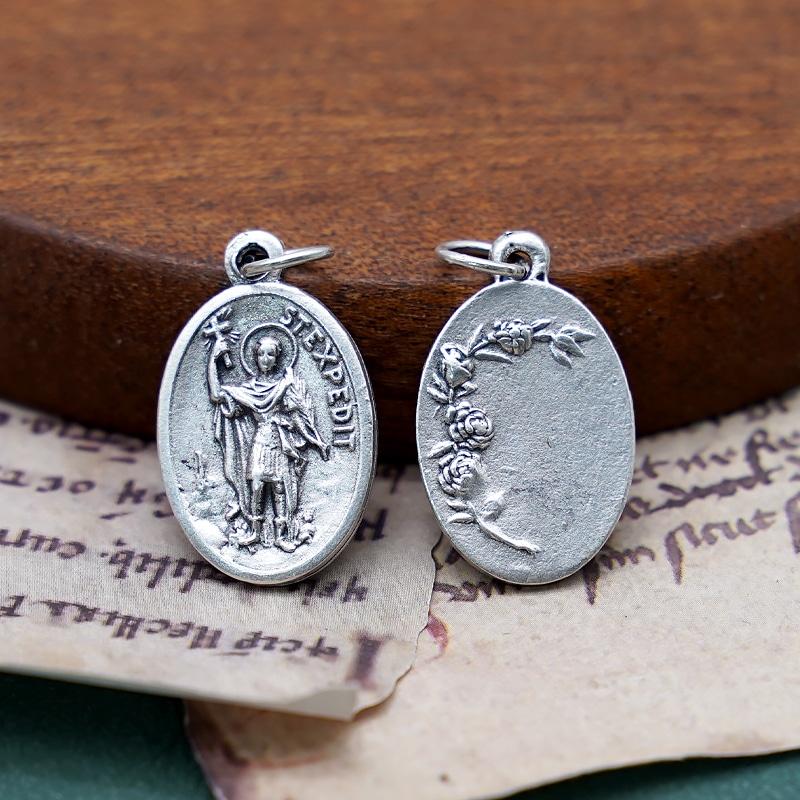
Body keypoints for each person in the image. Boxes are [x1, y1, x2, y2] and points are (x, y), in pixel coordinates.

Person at [207, 330, 329, 550]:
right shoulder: (249, 389)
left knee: (279, 486)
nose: (265, 359)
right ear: (255, 357)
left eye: (270, 354)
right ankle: (255, 532)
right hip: (260, 440)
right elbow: (217, 395)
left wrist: (315, 440)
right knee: (256, 484)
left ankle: (281, 536)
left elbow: (299, 418)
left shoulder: (285, 385)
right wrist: (213, 360)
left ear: (277, 358)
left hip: (279, 441)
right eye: (261, 354)